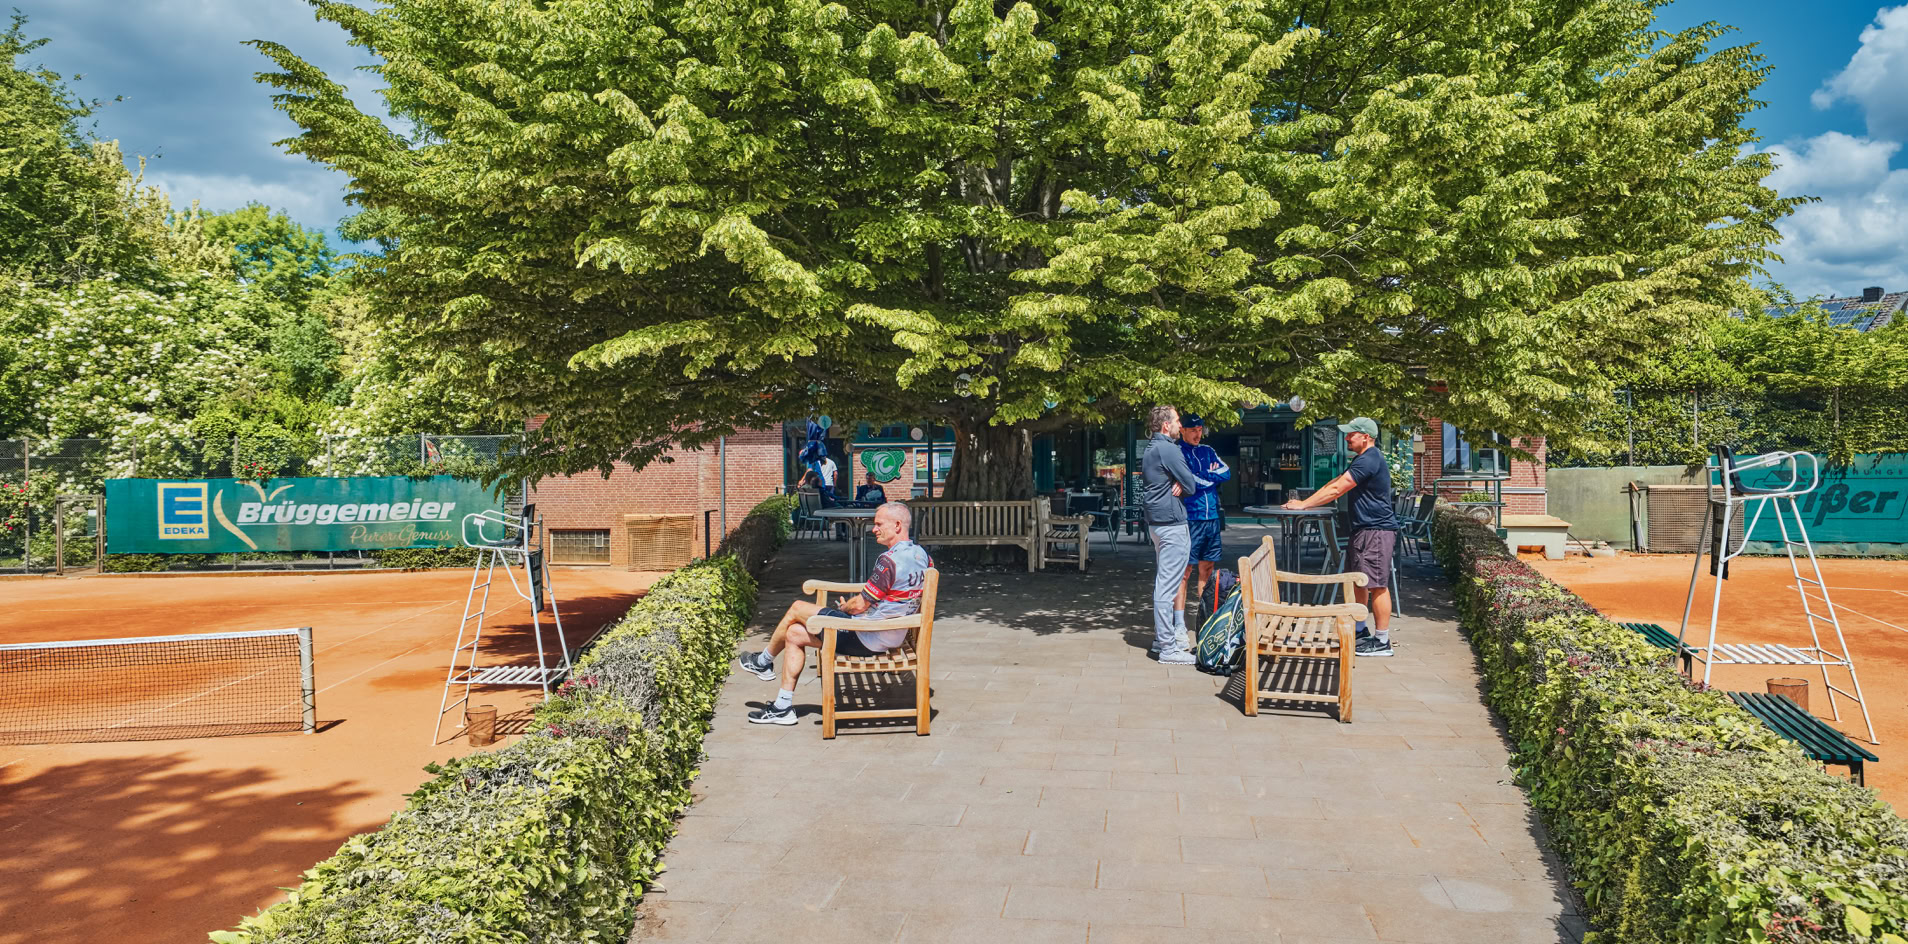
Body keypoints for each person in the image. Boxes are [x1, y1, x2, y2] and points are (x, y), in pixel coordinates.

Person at [736, 502, 933, 724]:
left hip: (869, 635)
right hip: (891, 633)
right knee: (793, 633)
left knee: (797, 608)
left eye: (879, 524)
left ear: (897, 525)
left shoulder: (888, 561)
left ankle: (763, 661)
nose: (874, 529)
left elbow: (859, 606)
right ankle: (783, 707)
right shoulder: (922, 556)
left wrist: (845, 608)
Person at [1283, 417, 1398, 656]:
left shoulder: (1370, 458)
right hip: (1363, 529)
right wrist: (1307, 502)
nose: (1346, 438)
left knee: (1377, 585)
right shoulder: (1361, 459)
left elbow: (1339, 488)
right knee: (1359, 580)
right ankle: (1359, 630)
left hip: (1376, 530)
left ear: (1365, 437)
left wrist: (1304, 505)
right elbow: (1334, 483)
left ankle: (1382, 641)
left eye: (1351, 434)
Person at [1141, 405, 1203, 664]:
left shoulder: (1151, 449)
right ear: (1166, 425)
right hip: (1172, 524)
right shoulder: (1169, 449)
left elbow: (1182, 482)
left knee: (1164, 581)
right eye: (1177, 421)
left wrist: (1178, 482)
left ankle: (1161, 639)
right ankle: (1168, 647)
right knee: (1166, 586)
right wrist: (1180, 483)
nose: (1180, 424)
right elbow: (1191, 483)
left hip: (1158, 524)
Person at [1176, 415, 1230, 627]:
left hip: (1212, 518)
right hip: (1191, 518)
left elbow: (1226, 472)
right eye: (1193, 430)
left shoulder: (1208, 451)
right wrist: (1210, 475)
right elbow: (1190, 480)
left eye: (1200, 429)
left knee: (1207, 567)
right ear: (1183, 430)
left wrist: (1205, 475)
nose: (1198, 434)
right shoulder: (1178, 452)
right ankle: (1178, 623)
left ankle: (1206, 618)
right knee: (1185, 571)